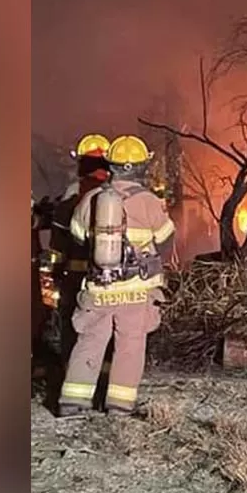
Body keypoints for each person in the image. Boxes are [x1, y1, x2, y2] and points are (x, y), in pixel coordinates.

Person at [58, 135, 176, 416]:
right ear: (141, 167)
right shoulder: (148, 201)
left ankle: (73, 401)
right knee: (130, 345)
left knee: (89, 341)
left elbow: (76, 237)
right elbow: (166, 239)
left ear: (110, 165)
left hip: (99, 287)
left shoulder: (91, 198)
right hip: (136, 290)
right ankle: (119, 405)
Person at [48, 133, 112, 366]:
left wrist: (55, 273)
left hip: (75, 277)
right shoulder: (116, 195)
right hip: (111, 278)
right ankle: (103, 378)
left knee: (73, 326)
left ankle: (71, 372)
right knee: (106, 328)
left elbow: (58, 242)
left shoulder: (73, 196)